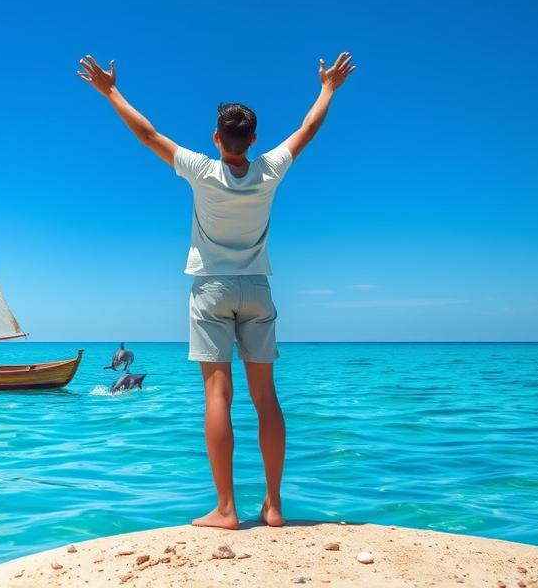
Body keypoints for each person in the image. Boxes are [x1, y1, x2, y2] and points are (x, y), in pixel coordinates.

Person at [76, 52, 355, 529]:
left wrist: (110, 91)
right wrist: (328, 88)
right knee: (266, 398)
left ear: (216, 139)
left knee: (217, 393)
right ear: (253, 140)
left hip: (210, 289)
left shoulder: (202, 170)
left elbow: (147, 134)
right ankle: (273, 506)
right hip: (258, 289)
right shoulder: (269, 170)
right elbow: (307, 130)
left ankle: (226, 510)